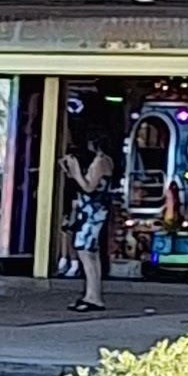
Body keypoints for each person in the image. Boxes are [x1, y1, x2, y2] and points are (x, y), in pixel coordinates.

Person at [59, 119, 117, 316]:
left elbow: (88, 187)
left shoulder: (100, 162)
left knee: (85, 252)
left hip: (91, 211)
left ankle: (93, 296)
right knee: (91, 253)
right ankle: (92, 294)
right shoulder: (107, 160)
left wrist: (75, 171)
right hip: (96, 210)